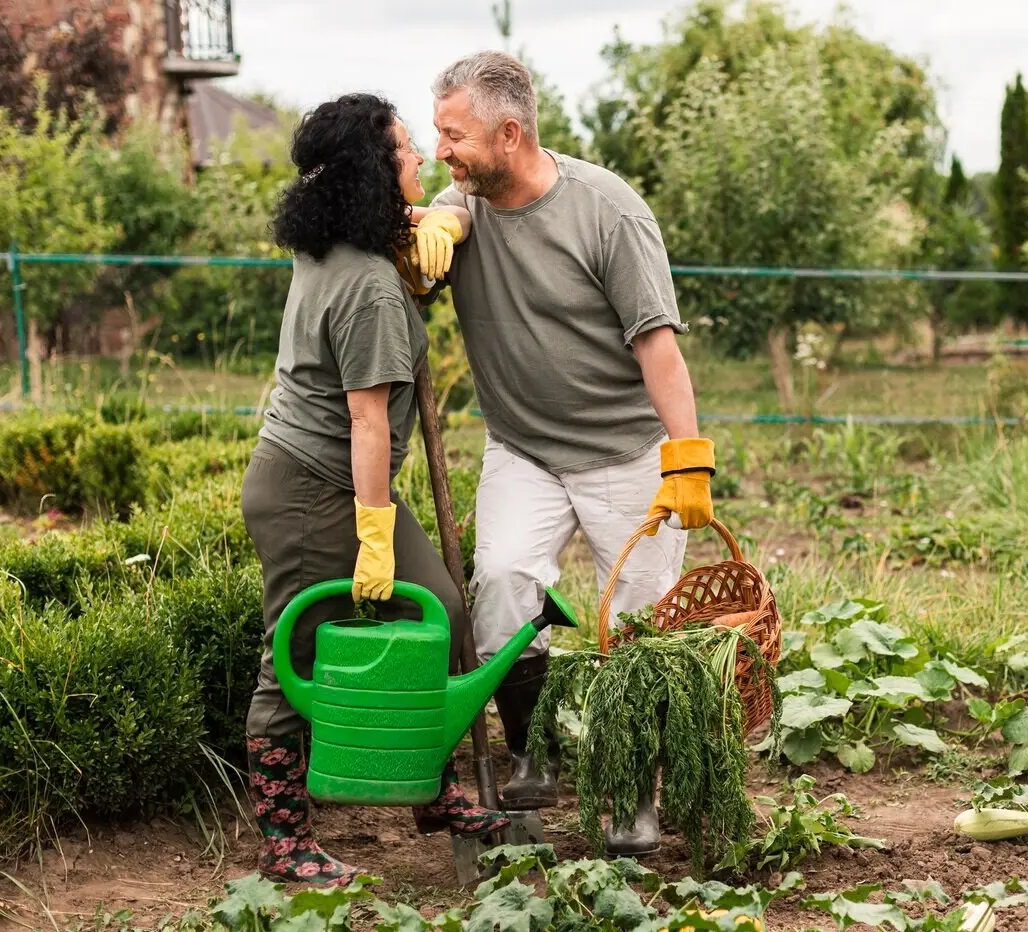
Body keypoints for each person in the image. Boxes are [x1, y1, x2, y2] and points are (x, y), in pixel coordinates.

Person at [407, 50, 717, 856]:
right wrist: (430, 226)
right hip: (526, 450)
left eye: (454, 134)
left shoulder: (608, 212)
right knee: (503, 584)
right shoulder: (462, 208)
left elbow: (659, 347)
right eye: (437, 132)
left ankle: (633, 796)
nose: (443, 149)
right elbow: (428, 243)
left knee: (638, 628)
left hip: (626, 452)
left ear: (509, 134)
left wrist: (686, 457)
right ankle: (532, 752)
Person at [240, 92, 509, 887]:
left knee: (445, 606)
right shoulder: (368, 289)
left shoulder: (335, 249)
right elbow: (368, 425)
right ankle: (285, 841)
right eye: (404, 151)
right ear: (372, 171)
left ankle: (430, 790)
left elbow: (418, 227)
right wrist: (372, 532)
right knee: (295, 648)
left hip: (331, 479)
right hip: (313, 487)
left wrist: (428, 228)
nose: (420, 158)